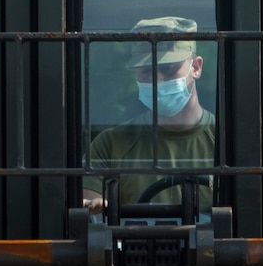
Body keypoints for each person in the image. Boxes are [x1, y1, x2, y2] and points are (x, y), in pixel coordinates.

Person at [83, 16, 215, 214]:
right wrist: (97, 206)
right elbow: (90, 210)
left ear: (195, 67)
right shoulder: (110, 145)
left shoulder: (228, 143)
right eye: (146, 72)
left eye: (168, 69)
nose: (157, 80)